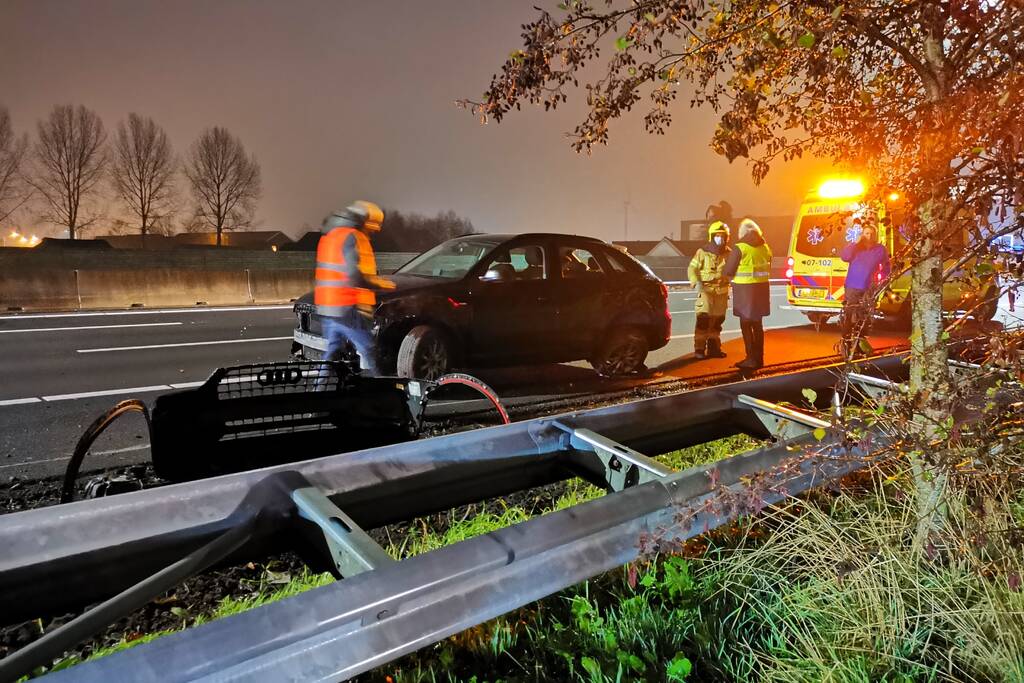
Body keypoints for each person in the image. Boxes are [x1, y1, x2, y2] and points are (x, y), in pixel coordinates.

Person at [314, 200, 394, 378]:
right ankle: (387, 393)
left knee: (331, 355)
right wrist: (377, 284)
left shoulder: (329, 236)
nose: (372, 232)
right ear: (363, 221)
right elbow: (353, 275)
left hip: (328, 307)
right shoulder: (351, 236)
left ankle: (316, 396)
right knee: (371, 352)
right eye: (371, 227)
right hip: (347, 306)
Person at [723, 218, 773, 370]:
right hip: (761, 290)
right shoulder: (765, 247)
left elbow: (728, 271)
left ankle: (750, 359)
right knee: (758, 325)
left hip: (745, 292)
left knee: (746, 325)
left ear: (743, 233)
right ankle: (759, 358)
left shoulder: (740, 248)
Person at [839, 224, 890, 353]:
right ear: (862, 234)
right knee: (850, 314)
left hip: (868, 287)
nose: (869, 236)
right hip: (852, 286)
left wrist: (882, 280)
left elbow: (886, 266)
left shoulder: (880, 249)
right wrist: (855, 243)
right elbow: (844, 257)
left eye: (872, 233)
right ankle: (846, 342)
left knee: (864, 316)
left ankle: (859, 343)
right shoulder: (856, 248)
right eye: (867, 233)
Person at [687, 221, 732, 359]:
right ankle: (699, 349)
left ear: (727, 237)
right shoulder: (702, 252)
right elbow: (692, 268)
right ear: (711, 236)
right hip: (705, 290)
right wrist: (695, 282)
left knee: (716, 322)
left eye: (722, 235)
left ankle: (714, 349)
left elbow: (734, 270)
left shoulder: (729, 253)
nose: (720, 238)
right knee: (703, 320)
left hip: (722, 292)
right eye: (717, 235)